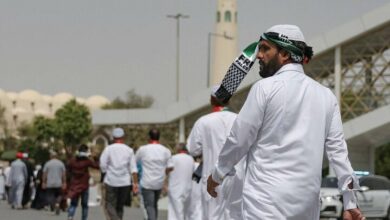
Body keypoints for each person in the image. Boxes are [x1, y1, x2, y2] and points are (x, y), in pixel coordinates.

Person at [207, 24, 365, 220]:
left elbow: (239, 139)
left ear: (284, 54)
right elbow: (339, 153)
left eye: (265, 49)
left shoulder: (264, 88)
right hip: (307, 208)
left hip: (264, 206)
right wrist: (350, 201)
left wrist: (217, 174)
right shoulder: (326, 96)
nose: (258, 55)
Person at [187, 85, 245, 220]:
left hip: (212, 177)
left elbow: (193, 149)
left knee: (212, 215)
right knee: (235, 215)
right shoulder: (240, 119)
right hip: (238, 176)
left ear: (212, 100)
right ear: (228, 100)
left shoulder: (203, 121)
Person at [100, 127, 138, 220]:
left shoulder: (108, 149)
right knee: (120, 206)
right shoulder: (129, 150)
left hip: (111, 181)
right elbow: (133, 169)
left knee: (109, 205)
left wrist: (105, 172)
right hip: (125, 182)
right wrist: (135, 184)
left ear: (113, 137)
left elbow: (102, 165)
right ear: (123, 137)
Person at [136, 128, 171, 220]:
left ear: (149, 137)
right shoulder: (165, 150)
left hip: (147, 183)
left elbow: (134, 162)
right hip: (159, 183)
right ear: (159, 137)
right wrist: (165, 177)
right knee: (154, 205)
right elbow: (170, 167)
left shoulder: (143, 149)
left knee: (150, 206)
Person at [67, 144, 99, 220]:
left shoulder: (73, 160)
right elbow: (97, 166)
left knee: (73, 203)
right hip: (84, 185)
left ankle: (70, 216)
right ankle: (84, 218)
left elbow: (68, 169)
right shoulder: (87, 161)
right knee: (84, 205)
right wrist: (95, 158)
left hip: (74, 185)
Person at [165, 143, 194, 220]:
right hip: (188, 188)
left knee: (175, 213)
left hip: (175, 188)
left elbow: (167, 170)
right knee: (185, 211)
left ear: (178, 149)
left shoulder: (174, 158)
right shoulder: (191, 159)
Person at [42, 150, 66, 215]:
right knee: (60, 195)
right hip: (58, 183)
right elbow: (63, 174)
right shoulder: (61, 163)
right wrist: (64, 182)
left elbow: (45, 174)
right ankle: (57, 203)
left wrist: (44, 182)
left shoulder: (47, 163)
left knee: (49, 196)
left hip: (50, 183)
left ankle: (54, 205)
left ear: (51, 156)